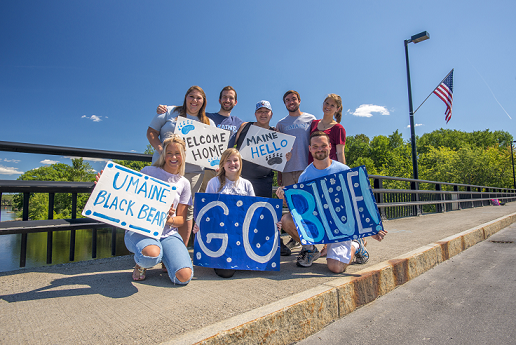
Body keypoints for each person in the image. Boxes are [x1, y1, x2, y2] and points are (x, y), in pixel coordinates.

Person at [276, 131, 387, 273]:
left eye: (323, 145)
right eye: (315, 146)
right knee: (286, 219)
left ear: (330, 147)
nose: (319, 149)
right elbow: (301, 210)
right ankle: (310, 250)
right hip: (319, 225)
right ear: (310, 149)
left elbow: (357, 202)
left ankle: (356, 243)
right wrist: (285, 199)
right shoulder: (305, 176)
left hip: (341, 225)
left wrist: (371, 228)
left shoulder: (343, 170)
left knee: (336, 267)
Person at [97, 135, 193, 284]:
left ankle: (166, 257)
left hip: (167, 234)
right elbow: (128, 195)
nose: (173, 157)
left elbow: (181, 219)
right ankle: (141, 264)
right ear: (164, 155)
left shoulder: (184, 183)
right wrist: (105, 183)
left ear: (183, 156)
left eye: (177, 153)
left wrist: (169, 219)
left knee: (184, 276)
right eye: (169, 153)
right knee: (150, 255)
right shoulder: (149, 171)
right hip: (141, 231)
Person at [148, 85, 215, 246]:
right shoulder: (169, 112)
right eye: (191, 96)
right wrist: (162, 150)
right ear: (186, 98)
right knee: (158, 205)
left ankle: (179, 250)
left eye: (199, 98)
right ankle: (153, 246)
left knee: (186, 210)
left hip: (193, 172)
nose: (194, 100)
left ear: (203, 102)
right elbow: (151, 132)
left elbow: (213, 150)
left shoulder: (209, 122)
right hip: (165, 170)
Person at [157, 86, 244, 194]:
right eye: (224, 97)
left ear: (235, 102)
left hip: (224, 170)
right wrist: (167, 109)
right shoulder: (206, 117)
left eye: (231, 98)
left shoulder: (239, 123)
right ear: (219, 100)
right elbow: (190, 108)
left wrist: (272, 129)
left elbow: (252, 127)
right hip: (204, 168)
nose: (227, 100)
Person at [233, 100, 292, 256]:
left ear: (271, 114)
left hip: (264, 179)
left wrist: (286, 156)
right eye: (260, 111)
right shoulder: (245, 127)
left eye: (266, 111)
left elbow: (280, 159)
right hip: (242, 178)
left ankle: (275, 243)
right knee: (242, 212)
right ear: (255, 114)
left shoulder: (275, 133)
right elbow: (230, 146)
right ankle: (240, 244)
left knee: (266, 213)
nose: (263, 114)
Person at [193, 148, 254, 278]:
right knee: (226, 272)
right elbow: (206, 210)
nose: (232, 163)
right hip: (220, 235)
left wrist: (270, 224)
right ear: (222, 164)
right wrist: (199, 224)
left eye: (235, 160)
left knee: (250, 266)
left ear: (240, 163)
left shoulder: (247, 184)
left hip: (241, 235)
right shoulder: (214, 183)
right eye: (228, 161)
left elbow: (253, 211)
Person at [275, 90, 316, 250]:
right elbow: (277, 151)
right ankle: (296, 237)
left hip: (306, 169)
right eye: (287, 100)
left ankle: (312, 240)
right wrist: (279, 173)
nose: (291, 102)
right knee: (292, 208)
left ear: (299, 100)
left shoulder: (310, 119)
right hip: (287, 171)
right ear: (285, 104)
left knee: (308, 207)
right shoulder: (281, 124)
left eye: (293, 99)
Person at [308, 93, 346, 165]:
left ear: (337, 109)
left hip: (329, 168)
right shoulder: (313, 123)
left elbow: (340, 153)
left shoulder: (338, 128)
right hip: (313, 166)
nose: (328, 106)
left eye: (332, 105)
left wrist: (343, 173)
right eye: (327, 103)